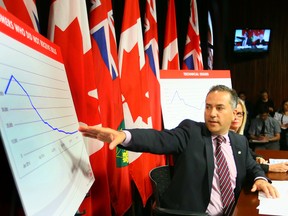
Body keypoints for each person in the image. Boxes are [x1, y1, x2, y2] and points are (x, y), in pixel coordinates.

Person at [79, 85, 278, 216]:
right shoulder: (191, 132)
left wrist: (260, 179)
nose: (212, 114)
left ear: (234, 113)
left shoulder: (239, 142)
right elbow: (159, 139)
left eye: (219, 108)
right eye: (208, 107)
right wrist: (124, 136)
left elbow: (252, 167)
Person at [231, 99, 288, 173]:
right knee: (259, 151)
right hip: (259, 143)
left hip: (272, 142)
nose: (235, 118)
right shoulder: (254, 121)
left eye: (239, 114)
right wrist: (257, 138)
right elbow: (251, 135)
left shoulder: (274, 121)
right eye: (233, 113)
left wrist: (268, 139)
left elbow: (278, 136)